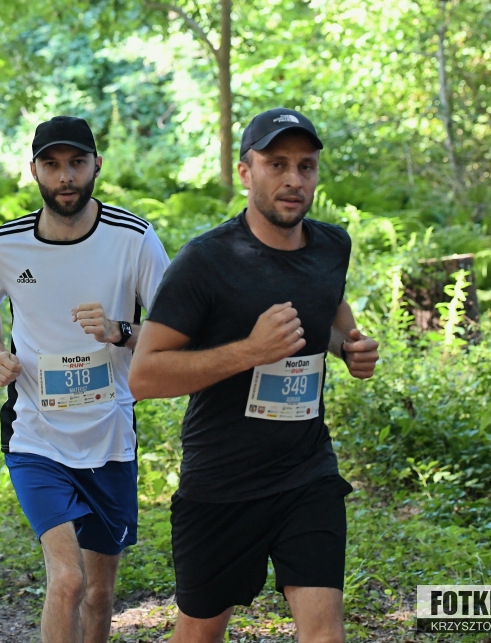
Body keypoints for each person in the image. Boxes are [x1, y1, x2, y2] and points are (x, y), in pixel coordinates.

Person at [128, 108, 381, 643]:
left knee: (325, 633)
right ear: (246, 172)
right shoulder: (205, 261)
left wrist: (348, 348)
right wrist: (250, 351)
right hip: (222, 483)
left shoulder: (332, 246)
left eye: (306, 166)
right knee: (199, 634)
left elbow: (329, 311)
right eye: (277, 164)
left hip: (306, 473)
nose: (294, 180)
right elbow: (144, 375)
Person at [0, 116, 170, 643]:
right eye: (52, 164)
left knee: (100, 594)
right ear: (33, 170)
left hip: (109, 435)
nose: (65, 177)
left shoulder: (134, 238)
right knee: (67, 579)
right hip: (35, 435)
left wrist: (121, 330)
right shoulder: (4, 245)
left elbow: (177, 329)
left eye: (77, 163)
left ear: (96, 165)